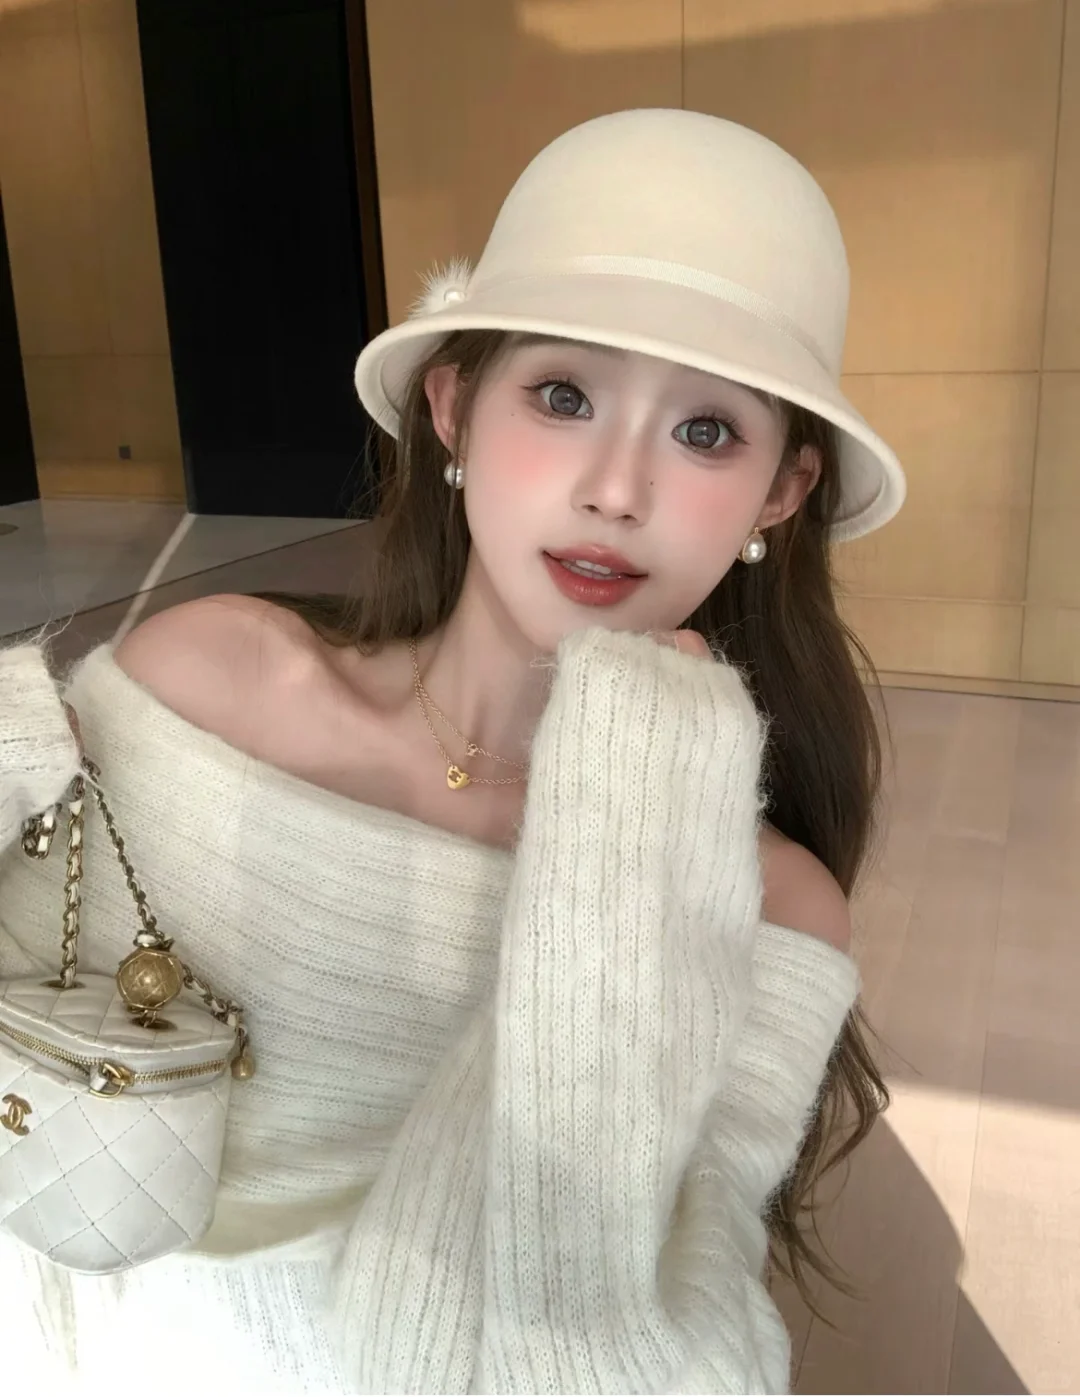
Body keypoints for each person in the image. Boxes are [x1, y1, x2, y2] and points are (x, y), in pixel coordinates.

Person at [0, 108, 906, 1393]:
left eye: (706, 430)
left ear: (781, 492)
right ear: (453, 411)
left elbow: (639, 1363)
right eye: (563, 395)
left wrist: (630, 818)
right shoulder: (207, 683)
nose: (616, 488)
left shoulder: (766, 902)